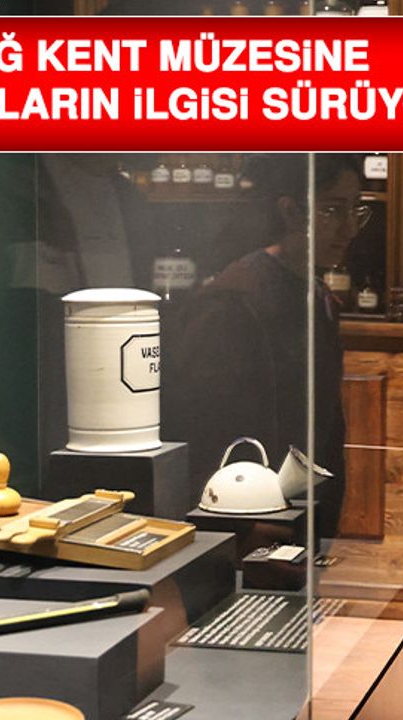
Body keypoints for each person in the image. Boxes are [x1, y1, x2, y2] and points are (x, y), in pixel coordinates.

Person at [164, 155, 367, 539]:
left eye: (355, 210)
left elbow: (324, 423)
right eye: (332, 210)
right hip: (247, 522)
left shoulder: (315, 293)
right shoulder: (232, 302)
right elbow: (203, 431)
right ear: (290, 211)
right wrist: (244, 529)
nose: (350, 227)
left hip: (298, 515)